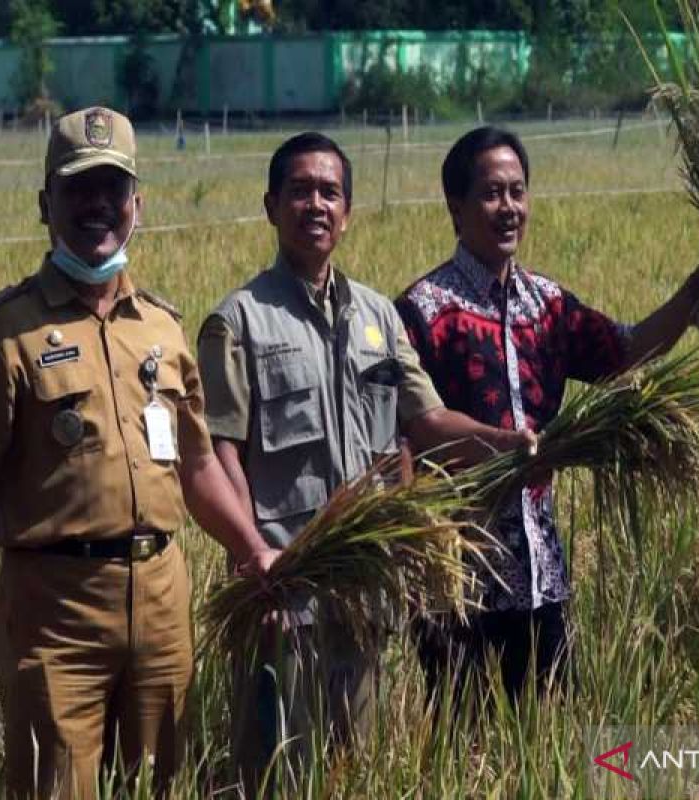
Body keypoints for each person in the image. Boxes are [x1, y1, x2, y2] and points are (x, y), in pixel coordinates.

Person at [0, 106, 278, 800]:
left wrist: (250, 549)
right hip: (53, 611)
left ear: (137, 206)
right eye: (77, 188)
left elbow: (198, 464)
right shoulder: (7, 331)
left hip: (160, 601)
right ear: (44, 203)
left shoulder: (162, 327)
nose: (97, 206)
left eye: (112, 189)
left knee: (158, 784)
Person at [196, 132, 534, 791]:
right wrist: (254, 561)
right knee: (277, 774)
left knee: (356, 773)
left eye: (329, 192)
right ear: (271, 207)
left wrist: (502, 441)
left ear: (347, 212)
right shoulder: (238, 321)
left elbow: (425, 423)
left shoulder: (379, 316)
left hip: (364, 596)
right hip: (283, 595)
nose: (315, 204)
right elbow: (221, 452)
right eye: (300, 191)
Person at [394, 126, 699, 706]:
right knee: (464, 749)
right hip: (458, 582)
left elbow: (626, 351)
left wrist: (698, 285)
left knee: (545, 744)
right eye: (491, 193)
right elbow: (407, 432)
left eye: (517, 191)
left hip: (540, 576)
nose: (508, 207)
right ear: (456, 207)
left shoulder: (548, 305)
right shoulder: (423, 311)